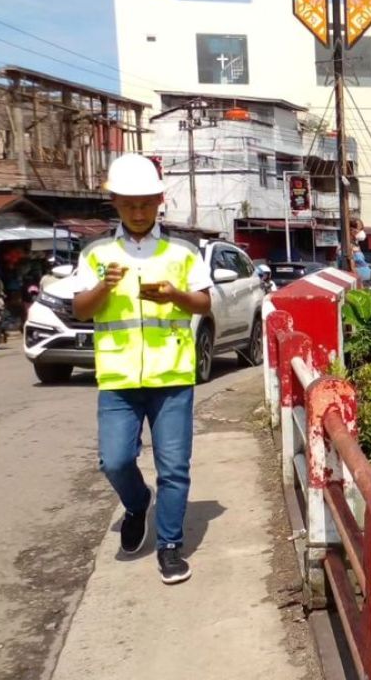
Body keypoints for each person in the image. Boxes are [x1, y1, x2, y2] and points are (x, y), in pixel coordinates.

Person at [71, 153, 212, 585]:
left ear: (159, 201)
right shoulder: (95, 253)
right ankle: (136, 504)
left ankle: (169, 545)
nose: (137, 212)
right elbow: (81, 310)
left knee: (174, 468)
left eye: (146, 203)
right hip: (118, 378)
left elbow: (203, 303)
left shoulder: (183, 251)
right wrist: (103, 287)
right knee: (114, 461)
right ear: (114, 202)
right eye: (129, 204)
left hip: (172, 377)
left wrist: (174, 296)